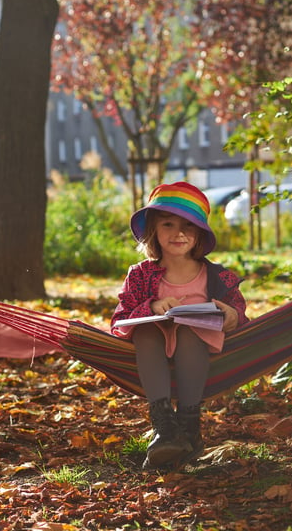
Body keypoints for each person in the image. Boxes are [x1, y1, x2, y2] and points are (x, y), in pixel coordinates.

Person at [111, 182, 249, 469]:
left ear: (199, 233)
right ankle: (165, 428)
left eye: (188, 225)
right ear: (153, 230)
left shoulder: (217, 277)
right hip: (155, 353)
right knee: (146, 330)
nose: (179, 233)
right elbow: (120, 319)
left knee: (188, 329)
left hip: (198, 351)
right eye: (168, 224)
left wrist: (231, 315)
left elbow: (239, 315)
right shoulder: (140, 275)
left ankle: (188, 425)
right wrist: (150, 307)